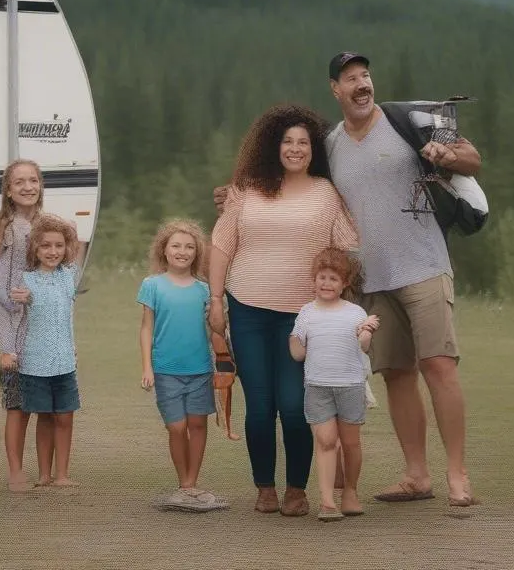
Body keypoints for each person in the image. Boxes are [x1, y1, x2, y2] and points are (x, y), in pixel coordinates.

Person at [326, 51, 481, 509]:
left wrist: (446, 152)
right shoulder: (331, 144)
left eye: (365, 75)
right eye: (351, 78)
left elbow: (473, 159)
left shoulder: (409, 120)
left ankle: (458, 474)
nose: (361, 83)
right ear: (335, 89)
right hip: (373, 279)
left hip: (425, 266)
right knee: (396, 373)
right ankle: (417, 475)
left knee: (439, 366)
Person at [207, 104, 359, 518]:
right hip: (247, 308)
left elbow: (345, 249)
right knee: (259, 406)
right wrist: (216, 301)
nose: (295, 149)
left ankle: (297, 488)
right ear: (274, 147)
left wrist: (344, 304)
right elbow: (222, 245)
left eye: (303, 143)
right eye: (287, 142)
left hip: (303, 318)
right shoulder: (246, 189)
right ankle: (265, 488)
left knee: (294, 406)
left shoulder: (326, 194)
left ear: (314, 150)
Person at [138, 219, 229, 513]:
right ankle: (184, 483)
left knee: (197, 424)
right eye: (176, 246)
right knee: (176, 427)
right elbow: (146, 329)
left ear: (197, 253)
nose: (183, 251)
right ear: (164, 250)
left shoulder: (205, 290)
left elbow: (218, 329)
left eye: (190, 247)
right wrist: (147, 367)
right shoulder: (152, 285)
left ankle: (190, 484)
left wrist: (218, 313)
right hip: (166, 370)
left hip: (200, 369)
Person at [289, 247, 380, 521]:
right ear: (314, 280)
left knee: (350, 443)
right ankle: (328, 501)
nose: (326, 283)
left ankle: (350, 492)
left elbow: (364, 347)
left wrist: (366, 331)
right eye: (322, 277)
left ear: (344, 284)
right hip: (317, 386)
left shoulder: (355, 313)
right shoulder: (306, 312)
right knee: (326, 440)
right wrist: (294, 340)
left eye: (333, 279)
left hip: (350, 386)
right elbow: (297, 351)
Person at [13, 213, 85, 488]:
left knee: (65, 418)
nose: (52, 251)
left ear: (66, 247)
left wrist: (68, 229)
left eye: (58, 245)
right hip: (35, 364)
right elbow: (17, 303)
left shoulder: (69, 277)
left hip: (65, 362)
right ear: (35, 248)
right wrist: (25, 299)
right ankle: (44, 475)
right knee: (44, 418)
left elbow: (77, 240)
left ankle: (62, 475)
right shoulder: (25, 280)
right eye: (45, 245)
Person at [0, 159, 44, 493]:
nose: (28, 187)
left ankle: (49, 472)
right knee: (18, 406)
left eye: (33, 180)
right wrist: (7, 346)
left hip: (45, 331)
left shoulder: (45, 225)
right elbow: (1, 293)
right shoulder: (9, 230)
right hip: (18, 331)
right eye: (20, 182)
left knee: (47, 407)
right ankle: (15, 470)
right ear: (8, 191)